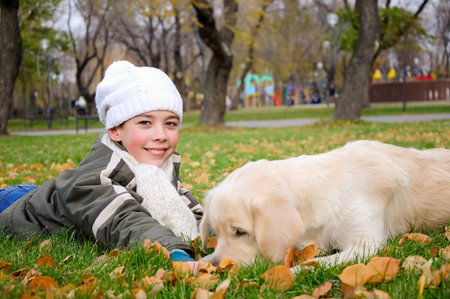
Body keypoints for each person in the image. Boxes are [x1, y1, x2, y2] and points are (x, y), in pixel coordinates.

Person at [0, 60, 203, 269]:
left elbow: (192, 212)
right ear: (115, 130)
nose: (160, 135)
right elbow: (122, 219)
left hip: (45, 194)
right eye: (145, 123)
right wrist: (172, 251)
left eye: (170, 123)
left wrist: (228, 232)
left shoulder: (160, 170)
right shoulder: (95, 177)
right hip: (17, 207)